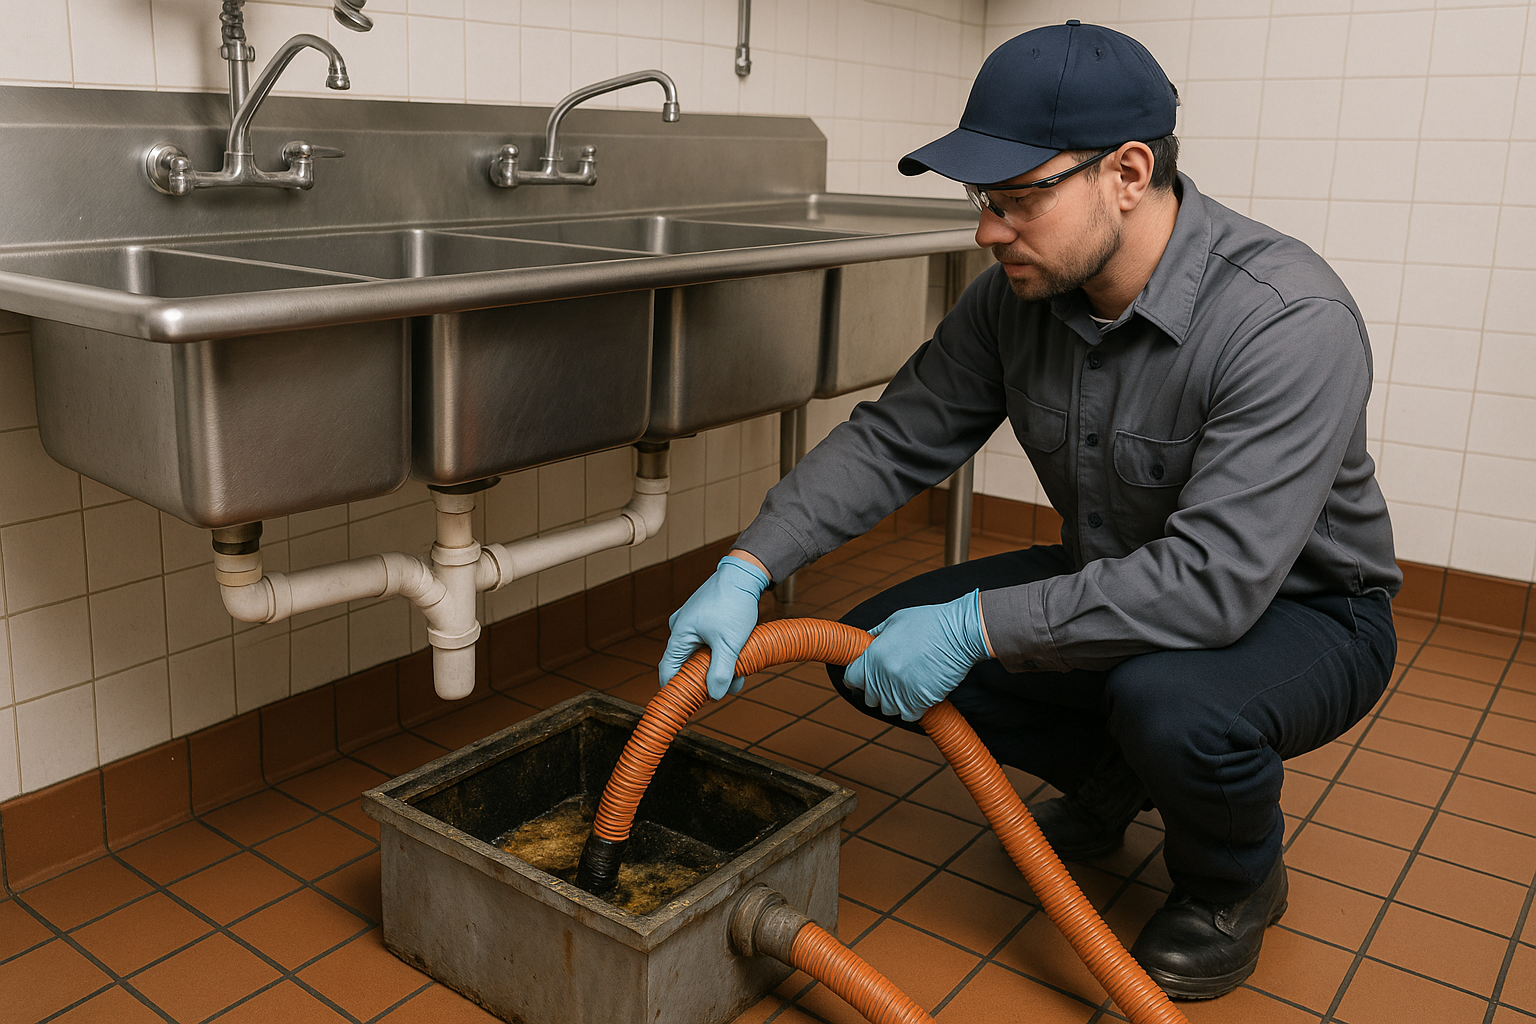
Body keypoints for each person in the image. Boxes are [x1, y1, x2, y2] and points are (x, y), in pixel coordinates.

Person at [659, 20, 1398, 1001]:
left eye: (1018, 200)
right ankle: (1112, 777)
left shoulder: (1286, 320)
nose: (987, 231)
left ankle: (1235, 881)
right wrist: (748, 566)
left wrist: (976, 626)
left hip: (1303, 611)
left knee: (1170, 703)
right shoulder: (1018, 298)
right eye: (983, 200)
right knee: (869, 648)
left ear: (1128, 173)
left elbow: (1216, 583)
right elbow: (894, 438)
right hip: (1116, 574)